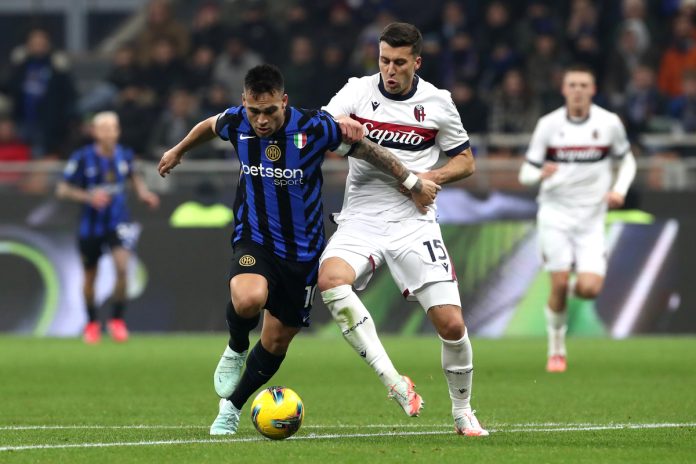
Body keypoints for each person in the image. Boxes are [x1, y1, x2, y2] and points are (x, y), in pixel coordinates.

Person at [156, 64, 440, 436]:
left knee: (276, 341)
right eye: (254, 111)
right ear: (244, 103)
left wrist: (411, 180)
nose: (260, 120)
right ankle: (236, 346)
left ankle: (232, 406)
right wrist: (178, 150)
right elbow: (210, 125)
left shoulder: (313, 128)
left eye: (270, 111)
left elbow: (365, 149)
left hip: (302, 254)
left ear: (284, 102)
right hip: (254, 238)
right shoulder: (236, 122)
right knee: (248, 299)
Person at [316, 22, 488, 437]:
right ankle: (394, 380)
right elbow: (318, 128)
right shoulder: (357, 90)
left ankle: (463, 411)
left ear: (416, 62)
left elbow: (465, 161)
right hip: (360, 218)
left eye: (398, 63)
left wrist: (431, 178)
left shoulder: (438, 103)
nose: (389, 70)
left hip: (415, 223)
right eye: (383, 61)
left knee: (451, 325)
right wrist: (338, 127)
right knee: (330, 281)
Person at [518, 64, 637, 373]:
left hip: (591, 219)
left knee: (589, 289)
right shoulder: (548, 125)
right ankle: (556, 351)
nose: (578, 90)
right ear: (564, 89)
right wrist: (540, 172)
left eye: (584, 84)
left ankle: (567, 288)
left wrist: (619, 190)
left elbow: (628, 163)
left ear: (593, 90)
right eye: (573, 85)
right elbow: (525, 172)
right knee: (557, 283)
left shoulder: (609, 124)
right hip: (555, 214)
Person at [56, 111, 160, 343]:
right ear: (94, 132)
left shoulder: (125, 155)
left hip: (118, 222)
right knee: (90, 276)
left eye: (112, 127)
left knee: (122, 268)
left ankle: (116, 320)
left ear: (118, 131)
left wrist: (144, 194)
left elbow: (134, 177)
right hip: (90, 226)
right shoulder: (82, 158)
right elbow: (63, 189)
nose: (108, 132)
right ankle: (92, 322)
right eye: (103, 128)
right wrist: (88, 197)